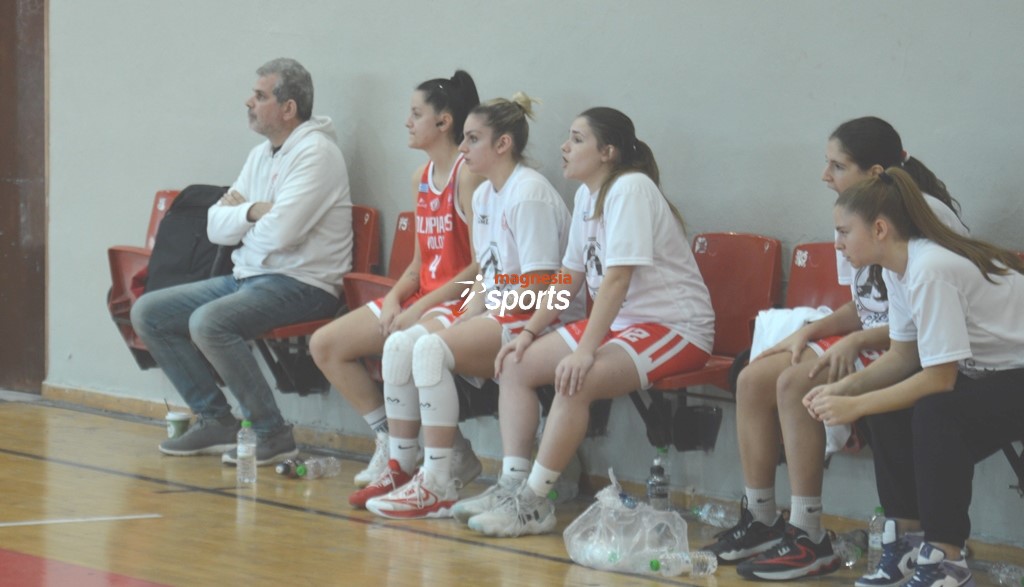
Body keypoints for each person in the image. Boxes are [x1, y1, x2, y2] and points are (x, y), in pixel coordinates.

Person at [703, 117, 968, 583]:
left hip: (930, 350)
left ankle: (808, 535)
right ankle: (762, 519)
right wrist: (812, 330)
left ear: (875, 173)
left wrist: (857, 339)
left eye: (837, 165)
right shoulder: (853, 214)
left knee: (794, 382)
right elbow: (865, 304)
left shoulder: (921, 218)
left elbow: (923, 320)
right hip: (882, 338)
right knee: (752, 377)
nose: (825, 175)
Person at [460, 107, 716, 538]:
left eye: (577, 139)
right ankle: (511, 485)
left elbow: (617, 280)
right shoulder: (585, 197)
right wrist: (528, 332)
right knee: (516, 363)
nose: (564, 146)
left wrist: (583, 351)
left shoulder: (630, 188)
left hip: (674, 327)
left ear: (607, 152)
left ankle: (534, 502)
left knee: (578, 378)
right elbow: (569, 277)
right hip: (622, 324)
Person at [361, 93, 579, 519]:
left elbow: (541, 284)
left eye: (473, 139)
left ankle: (438, 482)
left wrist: (481, 315)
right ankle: (402, 468)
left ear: (504, 144)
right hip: (506, 305)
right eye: (462, 138)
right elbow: (487, 275)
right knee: (402, 344)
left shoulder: (529, 192)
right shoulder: (484, 196)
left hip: (547, 313)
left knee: (430, 349)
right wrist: (464, 316)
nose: (462, 148)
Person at [804, 167, 1024, 587]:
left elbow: (938, 381)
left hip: (1016, 374)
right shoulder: (895, 269)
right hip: (994, 376)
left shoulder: (930, 269)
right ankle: (907, 540)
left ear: (880, 229)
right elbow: (903, 357)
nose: (837, 243)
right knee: (890, 404)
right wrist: (840, 389)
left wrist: (853, 405)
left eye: (844, 232)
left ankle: (947, 560)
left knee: (937, 414)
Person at [132, 58, 352, 466]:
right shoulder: (260, 155)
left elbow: (281, 234)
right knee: (149, 312)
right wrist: (253, 211)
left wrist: (244, 219)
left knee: (209, 322)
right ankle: (216, 420)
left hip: (304, 284)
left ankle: (272, 432)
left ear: (288, 108)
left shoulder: (317, 154)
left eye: (260, 96)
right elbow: (215, 226)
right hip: (250, 277)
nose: (248, 102)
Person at [308, 71, 485, 504]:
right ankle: (392, 441)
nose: (407, 121)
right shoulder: (419, 177)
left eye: (415, 113)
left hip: (460, 299)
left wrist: (419, 306)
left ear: (443, 121)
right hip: (424, 296)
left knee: (403, 344)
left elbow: (481, 265)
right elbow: (421, 263)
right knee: (325, 344)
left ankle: (435, 461)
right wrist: (392, 298)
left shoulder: (467, 176)